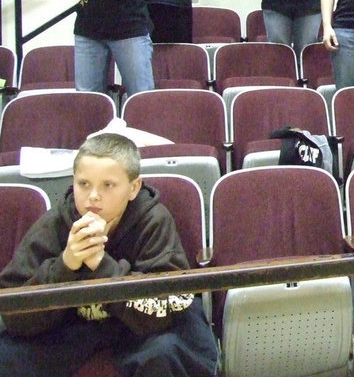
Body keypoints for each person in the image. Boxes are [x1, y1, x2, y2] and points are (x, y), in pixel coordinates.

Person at [0, 133, 218, 376]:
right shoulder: (55, 224)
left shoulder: (154, 220)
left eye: (108, 185)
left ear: (133, 187)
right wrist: (65, 264)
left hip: (141, 329)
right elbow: (14, 313)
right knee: (8, 356)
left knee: (164, 352)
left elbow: (163, 311)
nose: (93, 195)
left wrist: (101, 265)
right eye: (84, 184)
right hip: (74, 328)